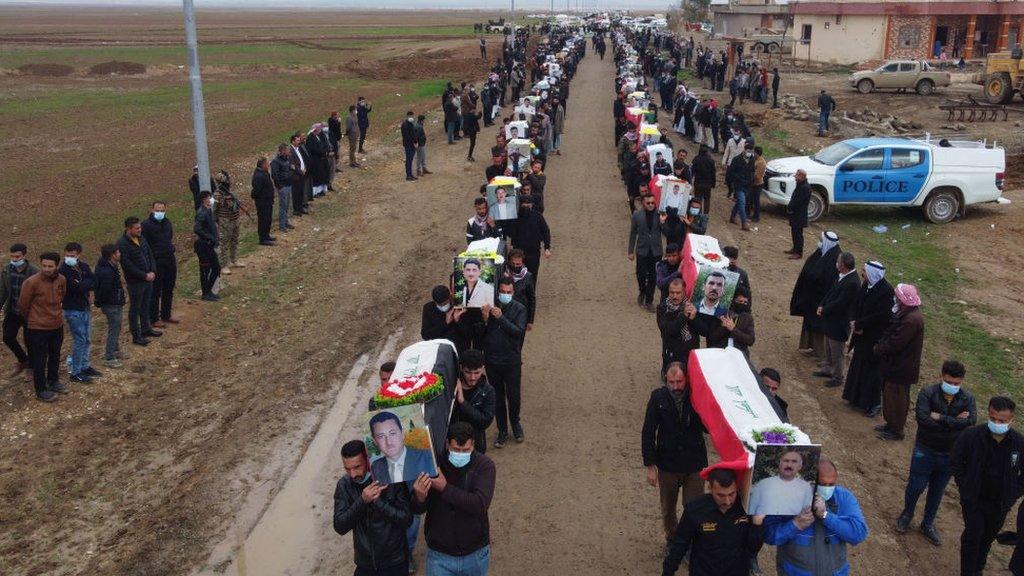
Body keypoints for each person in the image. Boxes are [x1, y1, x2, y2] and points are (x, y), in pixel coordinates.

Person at [895, 360, 976, 546]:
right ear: (942, 376)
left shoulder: (968, 398)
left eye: (957, 383)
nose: (954, 386)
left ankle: (928, 523)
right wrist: (955, 422)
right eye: (950, 382)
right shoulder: (928, 393)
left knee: (937, 491)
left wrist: (940, 417)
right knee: (916, 485)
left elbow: (971, 422)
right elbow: (924, 420)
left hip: (949, 454)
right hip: (925, 449)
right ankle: (907, 514)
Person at [411, 422, 496, 576]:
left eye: (466, 450)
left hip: (475, 553)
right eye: (456, 450)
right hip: (439, 556)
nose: (461, 454)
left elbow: (479, 504)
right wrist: (419, 497)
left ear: (473, 445)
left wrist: (444, 488)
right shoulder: (434, 465)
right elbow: (419, 509)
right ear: (446, 445)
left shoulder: (485, 466)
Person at [952, 396, 1024, 576]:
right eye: (993, 418)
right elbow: (956, 461)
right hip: (974, 500)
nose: (997, 423)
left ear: (1011, 420)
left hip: (999, 504)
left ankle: (978, 568)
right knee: (973, 537)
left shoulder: (1018, 443)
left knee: (987, 539)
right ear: (988, 414)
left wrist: (1013, 493)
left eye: (1002, 420)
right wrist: (965, 486)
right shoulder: (971, 436)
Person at [764, 458, 868, 576]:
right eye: (823, 484)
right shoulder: (786, 497)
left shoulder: (844, 497)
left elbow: (858, 534)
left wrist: (826, 516)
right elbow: (769, 536)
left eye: (831, 484)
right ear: (811, 480)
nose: (827, 488)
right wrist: (795, 524)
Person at [642, 362, 709, 543]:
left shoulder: (697, 396)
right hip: (668, 463)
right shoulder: (657, 398)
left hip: (694, 462)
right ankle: (673, 540)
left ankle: (690, 542)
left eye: (679, 381)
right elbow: (648, 431)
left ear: (686, 379)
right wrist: (650, 465)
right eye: (671, 382)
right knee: (667, 509)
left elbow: (708, 427)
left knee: (694, 507)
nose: (675, 386)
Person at [333, 439, 413, 576]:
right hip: (365, 564)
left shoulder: (391, 476)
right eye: (347, 469)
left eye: (357, 467)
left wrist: (379, 502)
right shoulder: (344, 485)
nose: (352, 474)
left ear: (368, 461)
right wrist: (362, 501)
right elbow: (340, 526)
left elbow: (406, 519)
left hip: (395, 562)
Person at [662, 468, 764, 576]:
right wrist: (667, 572)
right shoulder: (695, 510)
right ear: (710, 488)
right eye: (721, 495)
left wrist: (757, 524)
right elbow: (680, 545)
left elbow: (753, 549)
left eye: (731, 494)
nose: (727, 501)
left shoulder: (746, 509)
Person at [842, 261, 895, 416]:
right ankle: (855, 397)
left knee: (872, 372)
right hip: (861, 335)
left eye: (864, 271)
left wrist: (861, 324)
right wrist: (854, 322)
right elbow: (857, 304)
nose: (862, 273)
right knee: (858, 366)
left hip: (874, 338)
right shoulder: (866, 285)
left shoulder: (886, 291)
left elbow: (882, 316)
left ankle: (873, 403)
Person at [874, 283, 925, 441]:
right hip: (896, 366)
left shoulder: (911, 320)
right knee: (890, 397)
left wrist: (879, 348)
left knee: (897, 400)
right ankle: (890, 424)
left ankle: (896, 430)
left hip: (901, 368)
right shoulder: (908, 314)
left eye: (897, 296)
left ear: (902, 300)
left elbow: (896, 343)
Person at [480, 278, 527, 448]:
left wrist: (500, 318)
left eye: (509, 292)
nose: (505, 295)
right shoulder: (489, 307)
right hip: (492, 361)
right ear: (498, 292)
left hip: (511, 361)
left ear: (513, 293)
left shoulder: (519, 309)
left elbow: (518, 332)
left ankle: (515, 423)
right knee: (497, 398)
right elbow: (480, 335)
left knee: (513, 396)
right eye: (503, 292)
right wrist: (485, 319)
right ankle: (502, 430)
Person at [18, 252, 66, 402]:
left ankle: (53, 380)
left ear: (56, 265)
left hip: (56, 325)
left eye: (50, 266)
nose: (46, 269)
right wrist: (33, 320)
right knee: (39, 359)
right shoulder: (31, 282)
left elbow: (62, 296)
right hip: (38, 327)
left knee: (55, 354)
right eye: (44, 265)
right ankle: (41, 388)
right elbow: (23, 305)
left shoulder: (62, 279)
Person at [790, 230, 840, 360]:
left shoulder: (835, 259)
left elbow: (829, 281)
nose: (820, 242)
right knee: (811, 324)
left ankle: (821, 353)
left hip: (822, 299)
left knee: (820, 328)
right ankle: (812, 348)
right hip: (812, 298)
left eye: (822, 240)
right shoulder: (821, 252)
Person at [814, 251, 859, 389]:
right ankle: (828, 369)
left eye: (839, 261)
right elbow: (831, 293)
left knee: (837, 352)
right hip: (831, 320)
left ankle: (838, 377)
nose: (836, 263)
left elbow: (841, 303)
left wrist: (825, 309)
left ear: (844, 265)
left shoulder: (852, 282)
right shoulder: (842, 276)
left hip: (839, 322)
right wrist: (822, 304)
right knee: (828, 346)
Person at [117, 217, 160, 346]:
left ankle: (146, 329)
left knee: (145, 306)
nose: (140, 230)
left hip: (148, 279)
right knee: (135, 308)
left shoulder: (141, 238)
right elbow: (127, 265)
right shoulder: (122, 244)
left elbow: (150, 255)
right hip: (135, 282)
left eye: (140, 227)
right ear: (128, 229)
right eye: (137, 228)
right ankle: (136, 335)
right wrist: (144, 275)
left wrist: (153, 271)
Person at [59, 242, 98, 384]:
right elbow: (74, 287)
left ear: (79, 255)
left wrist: (83, 285)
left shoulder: (84, 267)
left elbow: (93, 282)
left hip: (85, 307)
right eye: (67, 255)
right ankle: (76, 372)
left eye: (72, 255)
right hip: (72, 309)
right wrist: (84, 284)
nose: (69, 258)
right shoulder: (63, 270)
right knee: (79, 340)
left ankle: (85, 366)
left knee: (87, 338)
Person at [368, 411, 436, 484]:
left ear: (402, 433)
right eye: (381, 436)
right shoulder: (376, 466)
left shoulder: (428, 458)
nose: (388, 442)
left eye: (392, 433)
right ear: (374, 441)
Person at [1, 243, 37, 377]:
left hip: (29, 313)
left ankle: (32, 367)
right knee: (8, 337)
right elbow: (3, 291)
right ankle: (23, 360)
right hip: (13, 311)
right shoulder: (6, 270)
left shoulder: (34, 272)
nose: (15, 259)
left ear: (24, 255)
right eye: (12, 256)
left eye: (17, 256)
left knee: (30, 341)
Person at [141, 201, 178, 328]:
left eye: (162, 210)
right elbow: (143, 245)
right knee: (155, 291)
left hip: (169, 259)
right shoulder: (145, 225)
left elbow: (170, 237)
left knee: (169, 288)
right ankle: (154, 318)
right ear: (152, 210)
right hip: (156, 261)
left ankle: (166, 314)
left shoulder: (167, 223)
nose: (160, 213)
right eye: (158, 210)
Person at [450, 349, 496, 453]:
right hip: (452, 444)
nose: (472, 377)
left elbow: (485, 421)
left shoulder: (488, 391)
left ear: (483, 369)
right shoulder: (451, 387)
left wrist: (462, 402)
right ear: (461, 368)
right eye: (468, 372)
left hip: (476, 445)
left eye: (477, 372)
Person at [693, 284, 755, 357]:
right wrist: (723, 327)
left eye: (745, 302)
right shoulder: (720, 313)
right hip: (718, 354)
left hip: (739, 356)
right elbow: (711, 338)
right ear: (733, 301)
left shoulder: (747, 318)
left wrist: (733, 329)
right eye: (740, 301)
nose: (742, 304)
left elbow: (750, 340)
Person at [748, 450, 813, 515]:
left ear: (800, 466)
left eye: (794, 462)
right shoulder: (763, 484)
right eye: (786, 461)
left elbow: (806, 514)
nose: (789, 465)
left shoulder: (805, 487)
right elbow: (751, 509)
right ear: (780, 464)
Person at [657, 279, 701, 375]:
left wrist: (693, 319)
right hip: (671, 352)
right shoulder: (662, 308)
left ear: (684, 292)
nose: (675, 296)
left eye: (678, 293)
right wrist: (684, 316)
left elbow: (703, 331)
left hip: (689, 351)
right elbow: (667, 330)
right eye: (672, 292)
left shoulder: (693, 307)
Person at [628, 193, 663, 309]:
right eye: (648, 203)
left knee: (653, 276)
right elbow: (633, 233)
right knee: (640, 274)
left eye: (653, 203)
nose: (651, 205)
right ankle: (642, 291)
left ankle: (649, 300)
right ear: (643, 202)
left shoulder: (660, 215)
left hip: (656, 250)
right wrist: (630, 251)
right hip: (642, 249)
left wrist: (664, 222)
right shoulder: (637, 215)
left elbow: (666, 231)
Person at [94, 244, 125, 369]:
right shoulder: (107, 271)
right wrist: (101, 302)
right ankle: (109, 356)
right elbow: (104, 290)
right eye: (118, 252)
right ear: (113, 255)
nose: (120, 254)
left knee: (117, 327)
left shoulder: (110, 266)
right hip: (111, 304)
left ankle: (116, 350)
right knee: (114, 329)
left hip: (114, 302)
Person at [507, 195, 551, 284]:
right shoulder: (514, 217)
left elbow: (545, 232)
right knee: (517, 276)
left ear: (532, 205)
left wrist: (547, 248)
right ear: (520, 204)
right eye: (524, 203)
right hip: (518, 254)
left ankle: (531, 297)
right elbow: (510, 233)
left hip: (533, 253)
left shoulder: (538, 217)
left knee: (532, 276)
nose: (526, 205)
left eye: (528, 203)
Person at [421, 285, 470, 354]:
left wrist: (457, 320)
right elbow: (425, 335)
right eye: (439, 305)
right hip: (438, 350)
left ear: (450, 296)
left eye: (445, 303)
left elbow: (468, 335)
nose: (442, 307)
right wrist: (445, 323)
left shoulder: (460, 307)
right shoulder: (428, 308)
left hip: (457, 350)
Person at [213, 172, 244, 273]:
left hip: (235, 219)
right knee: (224, 243)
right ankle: (223, 265)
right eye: (225, 181)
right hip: (225, 221)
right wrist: (216, 222)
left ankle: (233, 260)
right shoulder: (217, 195)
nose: (228, 183)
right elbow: (214, 209)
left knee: (234, 240)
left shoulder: (229, 192)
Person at [194, 191, 221, 302]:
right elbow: (197, 229)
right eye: (209, 197)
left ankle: (208, 291)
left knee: (216, 268)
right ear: (204, 199)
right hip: (203, 246)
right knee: (205, 270)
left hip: (209, 245)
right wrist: (210, 237)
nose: (211, 199)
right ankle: (205, 293)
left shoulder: (208, 211)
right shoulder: (202, 212)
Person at [506, 249, 536, 331]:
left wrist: (530, 320)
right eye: (513, 263)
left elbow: (531, 298)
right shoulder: (504, 274)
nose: (515, 266)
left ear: (522, 263)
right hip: (506, 314)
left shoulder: (528, 276)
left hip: (521, 315)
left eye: (518, 264)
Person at [727, 143, 755, 231]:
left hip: (747, 185)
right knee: (742, 203)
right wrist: (738, 179)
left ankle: (732, 217)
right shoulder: (736, 159)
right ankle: (744, 223)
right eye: (748, 151)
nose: (749, 153)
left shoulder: (752, 159)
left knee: (740, 202)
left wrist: (751, 181)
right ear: (744, 150)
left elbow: (752, 171)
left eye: (751, 151)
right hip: (738, 185)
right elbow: (731, 172)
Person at [250, 156, 276, 246]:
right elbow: (256, 191)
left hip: (268, 201)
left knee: (268, 219)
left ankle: (267, 235)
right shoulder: (258, 176)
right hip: (262, 202)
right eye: (266, 163)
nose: (268, 165)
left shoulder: (264, 173)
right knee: (263, 220)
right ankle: (263, 238)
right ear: (262, 165)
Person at [786, 170, 812, 259]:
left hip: (799, 215)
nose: (795, 177)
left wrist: (791, 208)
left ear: (801, 176)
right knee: (794, 232)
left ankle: (798, 252)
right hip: (795, 214)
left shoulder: (805, 187)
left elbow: (798, 201)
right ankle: (795, 248)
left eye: (796, 176)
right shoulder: (800, 185)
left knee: (798, 234)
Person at [271, 143, 295, 233]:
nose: (289, 151)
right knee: (283, 206)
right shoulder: (275, 162)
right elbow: (274, 175)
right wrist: (279, 186)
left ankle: (286, 222)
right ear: (283, 151)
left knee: (287, 205)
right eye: (287, 150)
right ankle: (282, 225)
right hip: (282, 186)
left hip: (288, 184)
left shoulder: (287, 159)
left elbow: (289, 169)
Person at [692, 145, 716, 213]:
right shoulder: (711, 161)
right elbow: (713, 173)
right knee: (707, 200)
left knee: (698, 199)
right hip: (708, 184)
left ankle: (698, 214)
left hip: (698, 183)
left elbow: (692, 171)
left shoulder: (696, 159)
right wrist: (713, 184)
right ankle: (705, 215)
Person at [750, 146, 766, 222]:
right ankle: (753, 215)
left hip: (757, 184)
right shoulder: (756, 160)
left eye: (754, 152)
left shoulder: (761, 163)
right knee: (752, 200)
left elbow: (757, 176)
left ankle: (756, 217)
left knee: (756, 201)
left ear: (756, 153)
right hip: (754, 184)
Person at [401, 111, 418, 182]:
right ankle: (408, 175)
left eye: (413, 116)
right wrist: (414, 142)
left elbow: (413, 133)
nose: (412, 118)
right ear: (407, 116)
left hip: (411, 144)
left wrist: (415, 141)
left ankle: (410, 174)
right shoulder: (405, 125)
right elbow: (407, 136)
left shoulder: (410, 124)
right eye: (411, 116)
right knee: (408, 160)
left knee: (410, 160)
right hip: (408, 145)